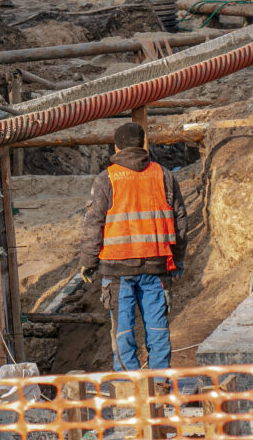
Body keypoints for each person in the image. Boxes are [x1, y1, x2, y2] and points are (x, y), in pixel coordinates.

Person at [79, 121, 187, 372]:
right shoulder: (164, 176)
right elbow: (180, 221)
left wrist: (87, 262)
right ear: (142, 144)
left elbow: (93, 223)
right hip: (157, 266)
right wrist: (178, 258)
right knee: (158, 328)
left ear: (116, 147)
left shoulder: (106, 179)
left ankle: (128, 386)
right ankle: (160, 382)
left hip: (117, 270)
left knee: (123, 330)